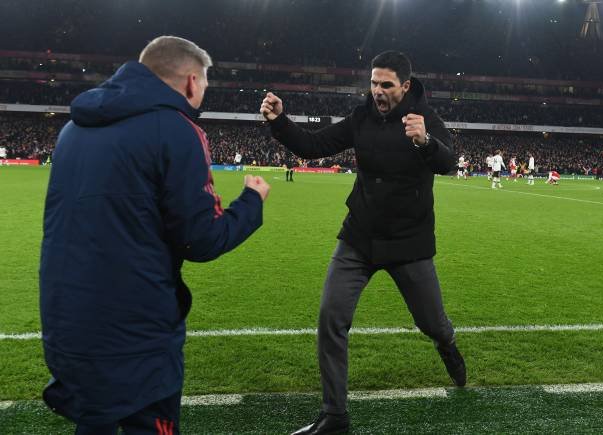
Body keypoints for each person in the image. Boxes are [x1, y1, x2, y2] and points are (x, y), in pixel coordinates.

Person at [39, 36, 270, 434]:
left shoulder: (73, 129)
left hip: (67, 321)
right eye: (205, 84)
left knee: (94, 421)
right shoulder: (176, 129)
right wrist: (251, 201)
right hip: (136, 333)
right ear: (192, 81)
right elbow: (202, 239)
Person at [260, 50, 465, 435]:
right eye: (373, 83)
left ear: (405, 86)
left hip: (408, 243)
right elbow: (313, 146)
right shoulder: (361, 117)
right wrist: (279, 121)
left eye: (386, 84)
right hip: (359, 237)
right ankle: (334, 416)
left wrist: (425, 142)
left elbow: (448, 162)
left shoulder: (425, 118)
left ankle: (448, 344)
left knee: (433, 323)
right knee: (331, 318)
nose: (377, 91)